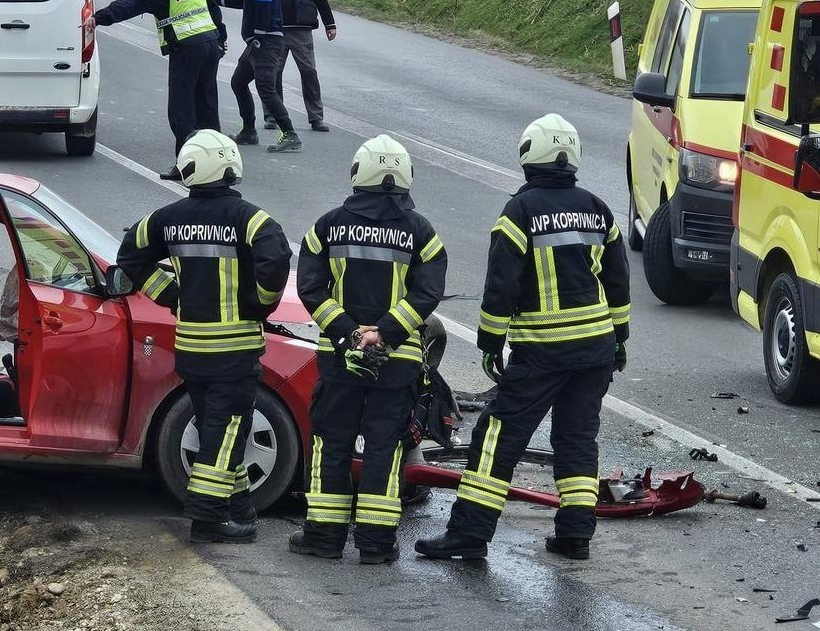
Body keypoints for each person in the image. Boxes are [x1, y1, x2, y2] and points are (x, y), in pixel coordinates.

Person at [413, 113, 631, 561]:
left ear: (529, 157)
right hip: (595, 350)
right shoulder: (597, 207)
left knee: (497, 435)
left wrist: (490, 344)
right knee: (577, 438)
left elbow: (501, 285)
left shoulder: (520, 212)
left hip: (543, 351)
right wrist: (619, 339)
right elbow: (619, 281)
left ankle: (469, 535)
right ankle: (575, 536)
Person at [117, 129, 292, 542]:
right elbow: (276, 258)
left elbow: (129, 257)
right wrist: (260, 304)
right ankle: (208, 518)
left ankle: (239, 506)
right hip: (234, 348)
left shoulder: (166, 218)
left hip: (192, 349)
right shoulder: (252, 219)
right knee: (228, 427)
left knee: (217, 427)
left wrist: (172, 297)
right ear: (230, 166)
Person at [292, 134, 447, 564]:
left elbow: (310, 289)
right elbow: (427, 293)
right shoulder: (423, 232)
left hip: (341, 361)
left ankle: (323, 539)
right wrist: (386, 332)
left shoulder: (327, 226)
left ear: (359, 174)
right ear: (406, 178)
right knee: (384, 449)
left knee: (331, 444)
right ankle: (376, 546)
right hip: (397, 364)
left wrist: (348, 335)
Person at [89, 0, 228, 180]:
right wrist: (221, 37)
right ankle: (217, 165)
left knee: (181, 110)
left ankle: (186, 166)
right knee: (207, 106)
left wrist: (98, 18)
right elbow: (213, 8)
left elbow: (129, 5)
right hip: (210, 43)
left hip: (187, 47)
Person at [228, 0, 302, 153]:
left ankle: (290, 134)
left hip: (266, 41)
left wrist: (258, 36)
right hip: (259, 41)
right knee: (238, 82)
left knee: (265, 88)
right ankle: (248, 131)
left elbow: (265, 6)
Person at [264, 0, 336, 133]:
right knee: (273, 72)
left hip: (302, 27)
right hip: (276, 27)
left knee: (309, 72)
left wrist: (330, 24)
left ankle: (316, 117)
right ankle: (272, 115)